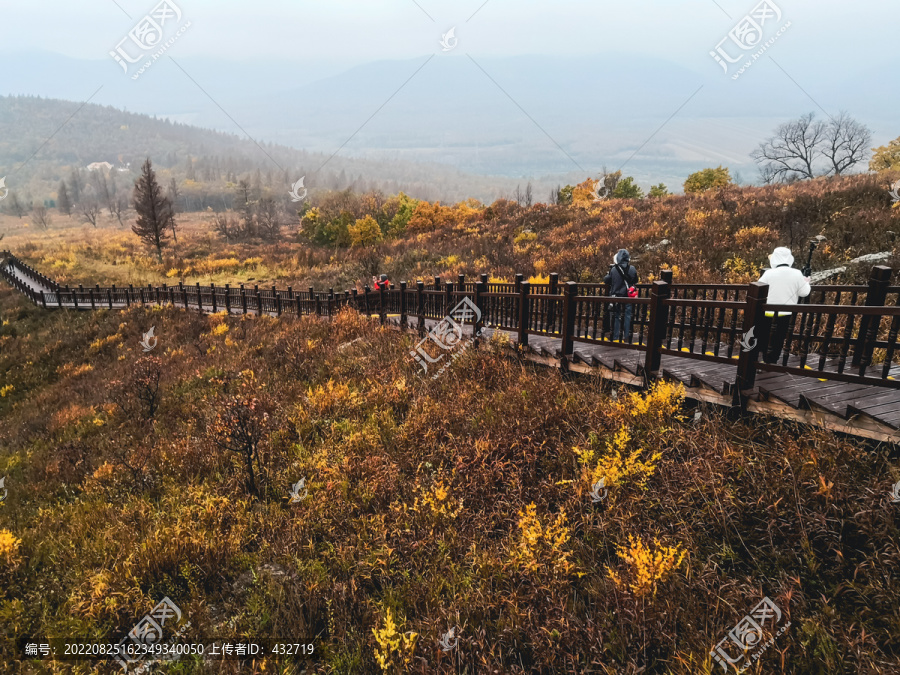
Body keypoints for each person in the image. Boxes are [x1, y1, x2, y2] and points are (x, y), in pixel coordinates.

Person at [757, 247, 811, 364]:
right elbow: (804, 292)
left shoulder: (768, 273)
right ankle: (772, 361)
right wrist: (806, 281)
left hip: (767, 312)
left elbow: (758, 288)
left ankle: (762, 358)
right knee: (778, 338)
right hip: (786, 313)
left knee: (764, 336)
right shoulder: (797, 274)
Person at [603, 249, 638, 342]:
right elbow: (635, 280)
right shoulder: (632, 269)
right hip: (628, 296)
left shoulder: (614, 269)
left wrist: (608, 274)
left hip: (616, 296)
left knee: (615, 316)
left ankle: (615, 336)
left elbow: (606, 280)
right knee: (627, 315)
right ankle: (627, 337)